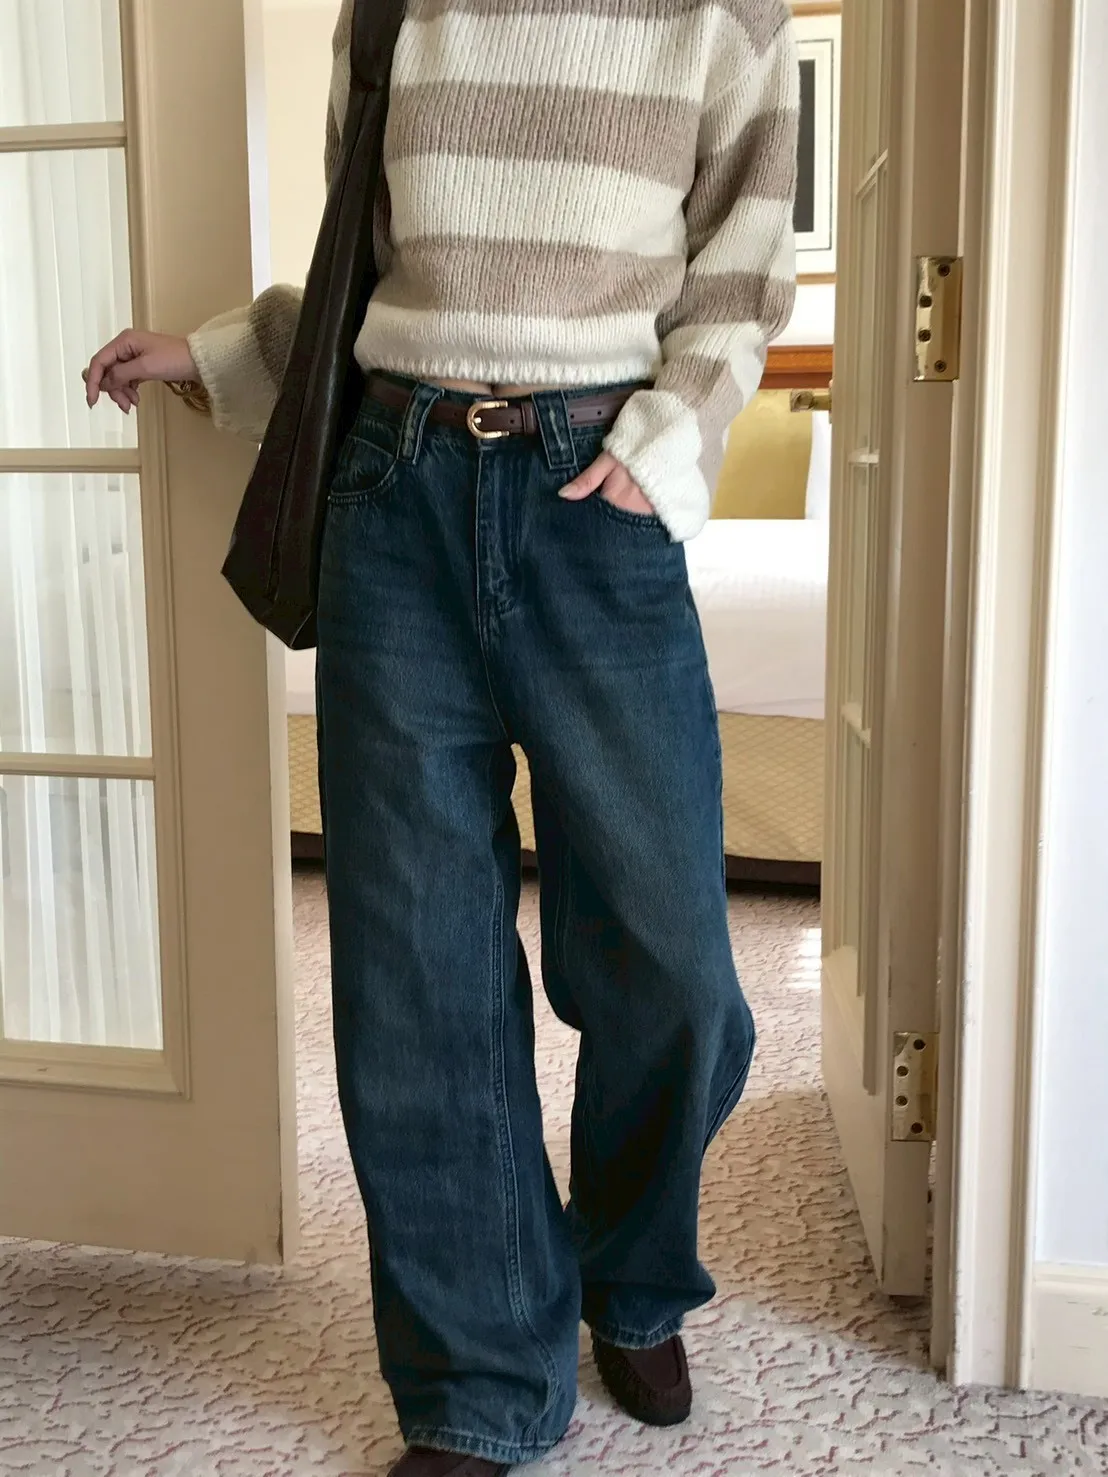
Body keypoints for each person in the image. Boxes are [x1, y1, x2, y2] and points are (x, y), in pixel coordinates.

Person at [85, 1, 799, 1471]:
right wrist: (218, 355)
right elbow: (372, 267)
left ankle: (630, 1268)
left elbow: (740, 272)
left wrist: (663, 443)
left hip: (597, 501)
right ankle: (479, 1379)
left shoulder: (721, 14)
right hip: (395, 487)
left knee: (675, 966)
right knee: (418, 973)